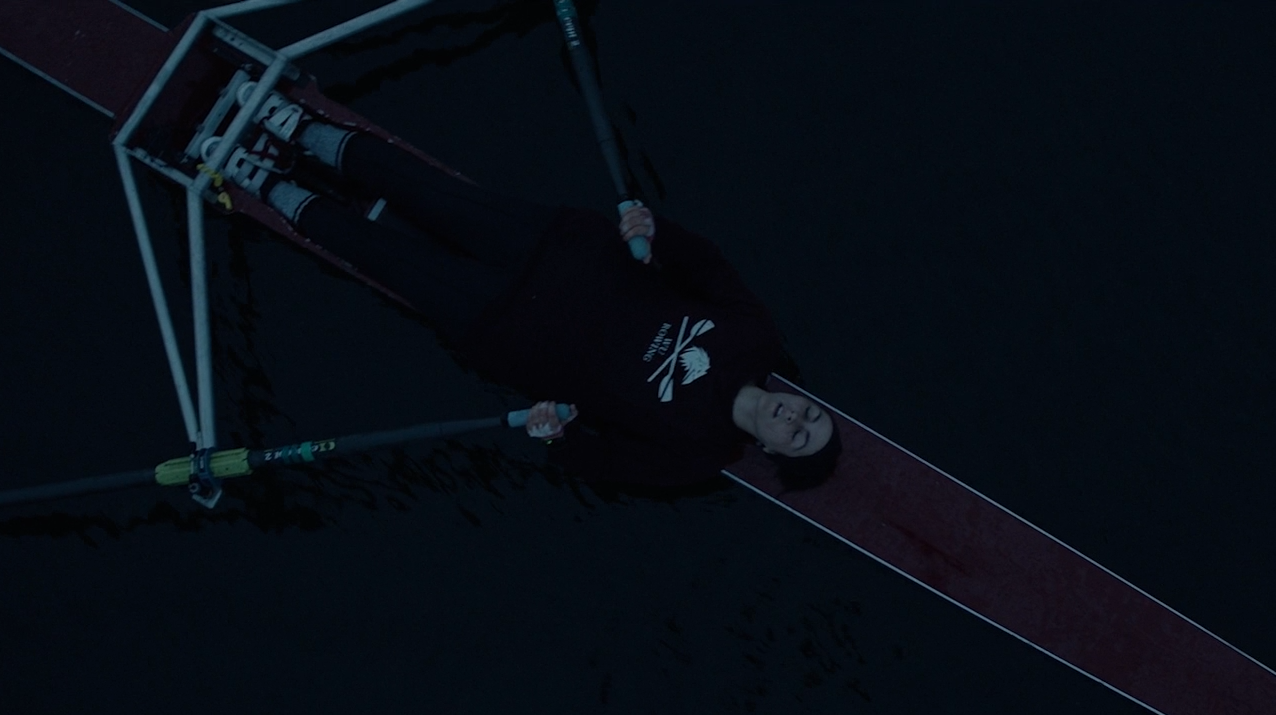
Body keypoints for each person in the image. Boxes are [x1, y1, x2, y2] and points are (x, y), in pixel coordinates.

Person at [203, 83, 840, 492]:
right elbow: (705, 265)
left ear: (771, 450)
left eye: (798, 436)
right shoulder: (754, 337)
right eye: (810, 414)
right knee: (423, 189)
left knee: (377, 253)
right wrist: (655, 232)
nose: (795, 418)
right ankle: (294, 125)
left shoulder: (695, 453)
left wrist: (554, 434)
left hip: (505, 326)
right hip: (555, 248)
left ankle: (262, 183)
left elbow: (605, 466)